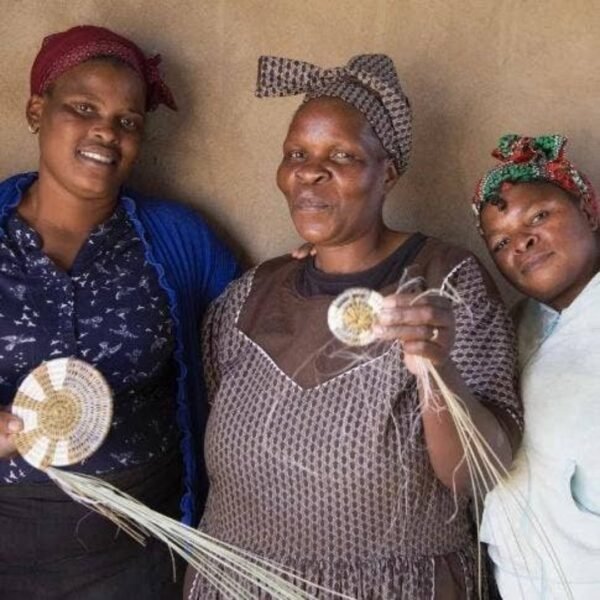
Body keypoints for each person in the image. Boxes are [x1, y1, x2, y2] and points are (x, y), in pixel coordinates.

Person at [184, 54, 522, 599]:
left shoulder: (445, 282)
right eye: (297, 154)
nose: (310, 172)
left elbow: (475, 473)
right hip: (238, 583)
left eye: (341, 155)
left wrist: (435, 370)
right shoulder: (247, 297)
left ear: (386, 173)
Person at [0, 25, 238, 599]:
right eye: (84, 108)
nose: (107, 131)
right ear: (37, 110)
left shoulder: (179, 240)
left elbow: (256, 331)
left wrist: (322, 263)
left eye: (128, 121)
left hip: (141, 548)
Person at [474, 135, 600, 599]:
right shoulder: (514, 328)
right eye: (500, 242)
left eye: (539, 217)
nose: (522, 242)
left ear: (589, 211)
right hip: (520, 580)